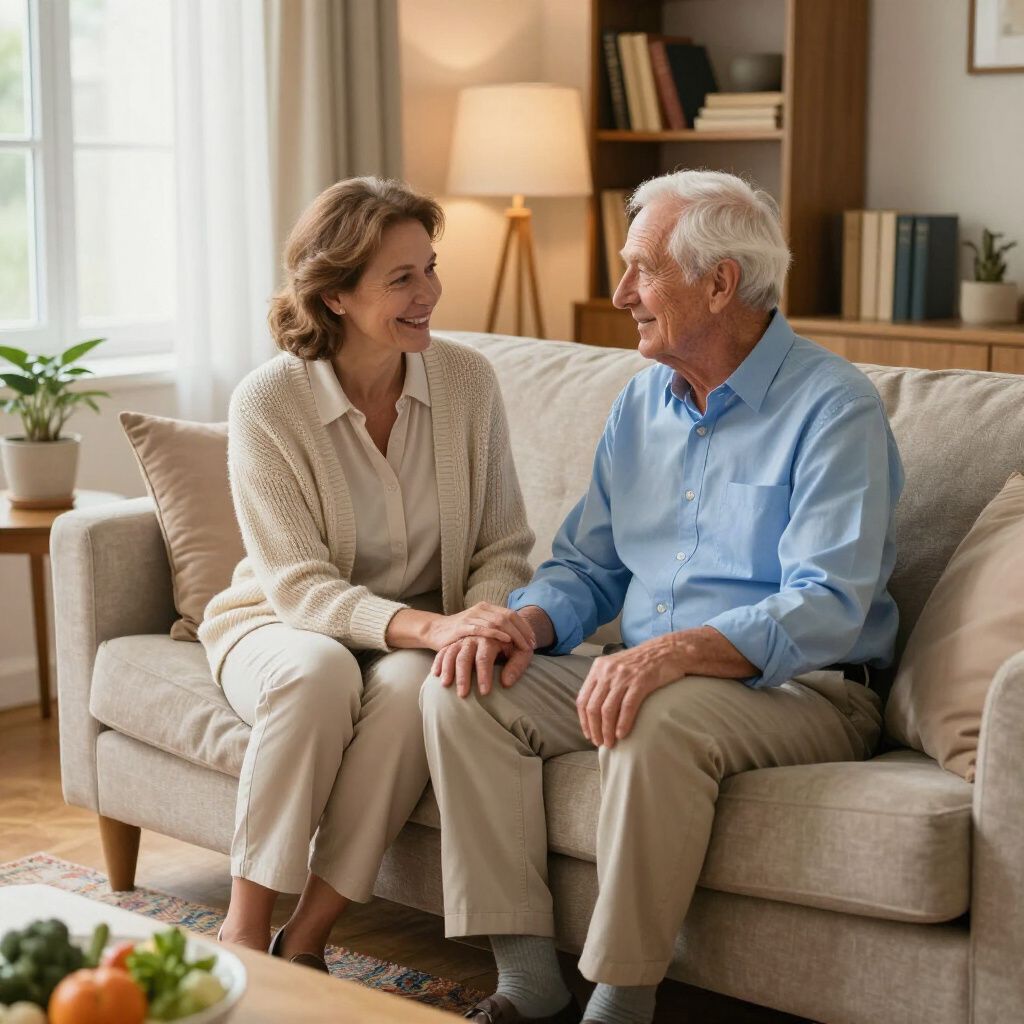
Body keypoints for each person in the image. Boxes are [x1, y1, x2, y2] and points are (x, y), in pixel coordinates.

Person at [420, 169, 904, 1024]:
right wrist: (524, 622)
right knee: (467, 684)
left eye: (642, 268)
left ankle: (620, 1000)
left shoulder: (835, 408)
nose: (620, 294)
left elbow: (828, 602)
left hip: (807, 689)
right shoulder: (642, 401)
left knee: (656, 710)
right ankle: (527, 980)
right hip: (651, 670)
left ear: (720, 283)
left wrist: (669, 654)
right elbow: (589, 566)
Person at [198, 176, 536, 968]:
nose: (431, 293)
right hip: (279, 624)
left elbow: (504, 545)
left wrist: (478, 621)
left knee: (426, 682)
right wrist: (432, 625)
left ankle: (309, 938)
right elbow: (299, 586)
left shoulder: (467, 382)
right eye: (402, 278)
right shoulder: (268, 402)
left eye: (430, 267)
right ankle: (243, 932)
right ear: (337, 296)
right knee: (318, 675)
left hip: (419, 635)